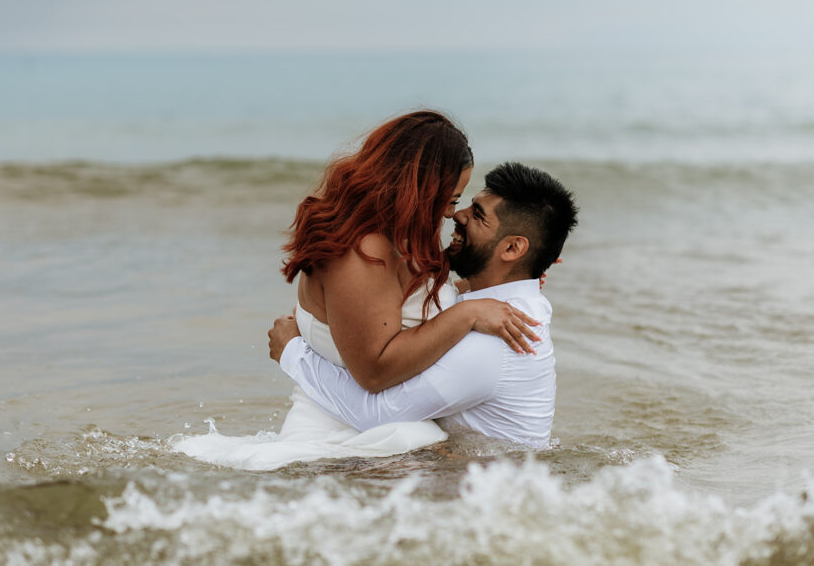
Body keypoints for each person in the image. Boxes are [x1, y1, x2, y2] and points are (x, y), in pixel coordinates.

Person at [173, 112, 540, 470]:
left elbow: (409, 302)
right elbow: (376, 372)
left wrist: (509, 280)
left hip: (394, 440)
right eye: (451, 199)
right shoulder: (361, 251)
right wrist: (468, 313)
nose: (450, 214)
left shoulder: (403, 236)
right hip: (343, 444)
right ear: (419, 190)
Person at [268, 162, 579, 448]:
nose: (459, 214)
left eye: (478, 214)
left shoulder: (496, 341)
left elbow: (380, 416)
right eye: (468, 203)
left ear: (513, 247)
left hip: (480, 496)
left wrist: (293, 352)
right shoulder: (507, 302)